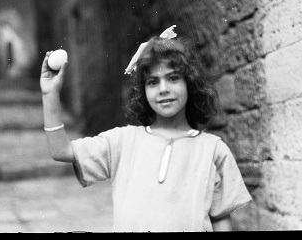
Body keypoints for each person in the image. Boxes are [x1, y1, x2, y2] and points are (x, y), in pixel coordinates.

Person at [40, 25, 252, 232]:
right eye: (152, 82)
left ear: (190, 83)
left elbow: (221, 221)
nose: (163, 89)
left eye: (173, 78)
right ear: (143, 90)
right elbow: (61, 151)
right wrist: (50, 94)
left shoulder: (214, 150)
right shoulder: (123, 141)